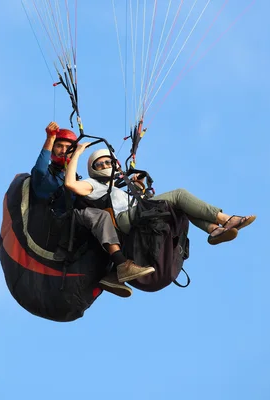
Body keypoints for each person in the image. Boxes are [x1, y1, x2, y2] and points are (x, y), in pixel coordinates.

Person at [30, 122, 154, 298]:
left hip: (79, 226)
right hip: (59, 225)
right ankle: (121, 264)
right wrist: (50, 139)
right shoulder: (45, 178)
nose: (64, 150)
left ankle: (113, 275)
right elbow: (40, 168)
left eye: (68, 147)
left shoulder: (77, 178)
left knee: (114, 217)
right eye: (59, 146)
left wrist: (136, 188)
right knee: (100, 216)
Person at [64, 145, 256, 246]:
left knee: (179, 208)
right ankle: (226, 219)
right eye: (100, 164)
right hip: (125, 220)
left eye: (108, 162)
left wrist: (138, 186)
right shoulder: (93, 184)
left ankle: (214, 230)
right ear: (93, 170)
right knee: (179, 194)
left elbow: (131, 201)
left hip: (135, 212)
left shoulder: (116, 188)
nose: (105, 166)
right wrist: (78, 153)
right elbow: (70, 184)